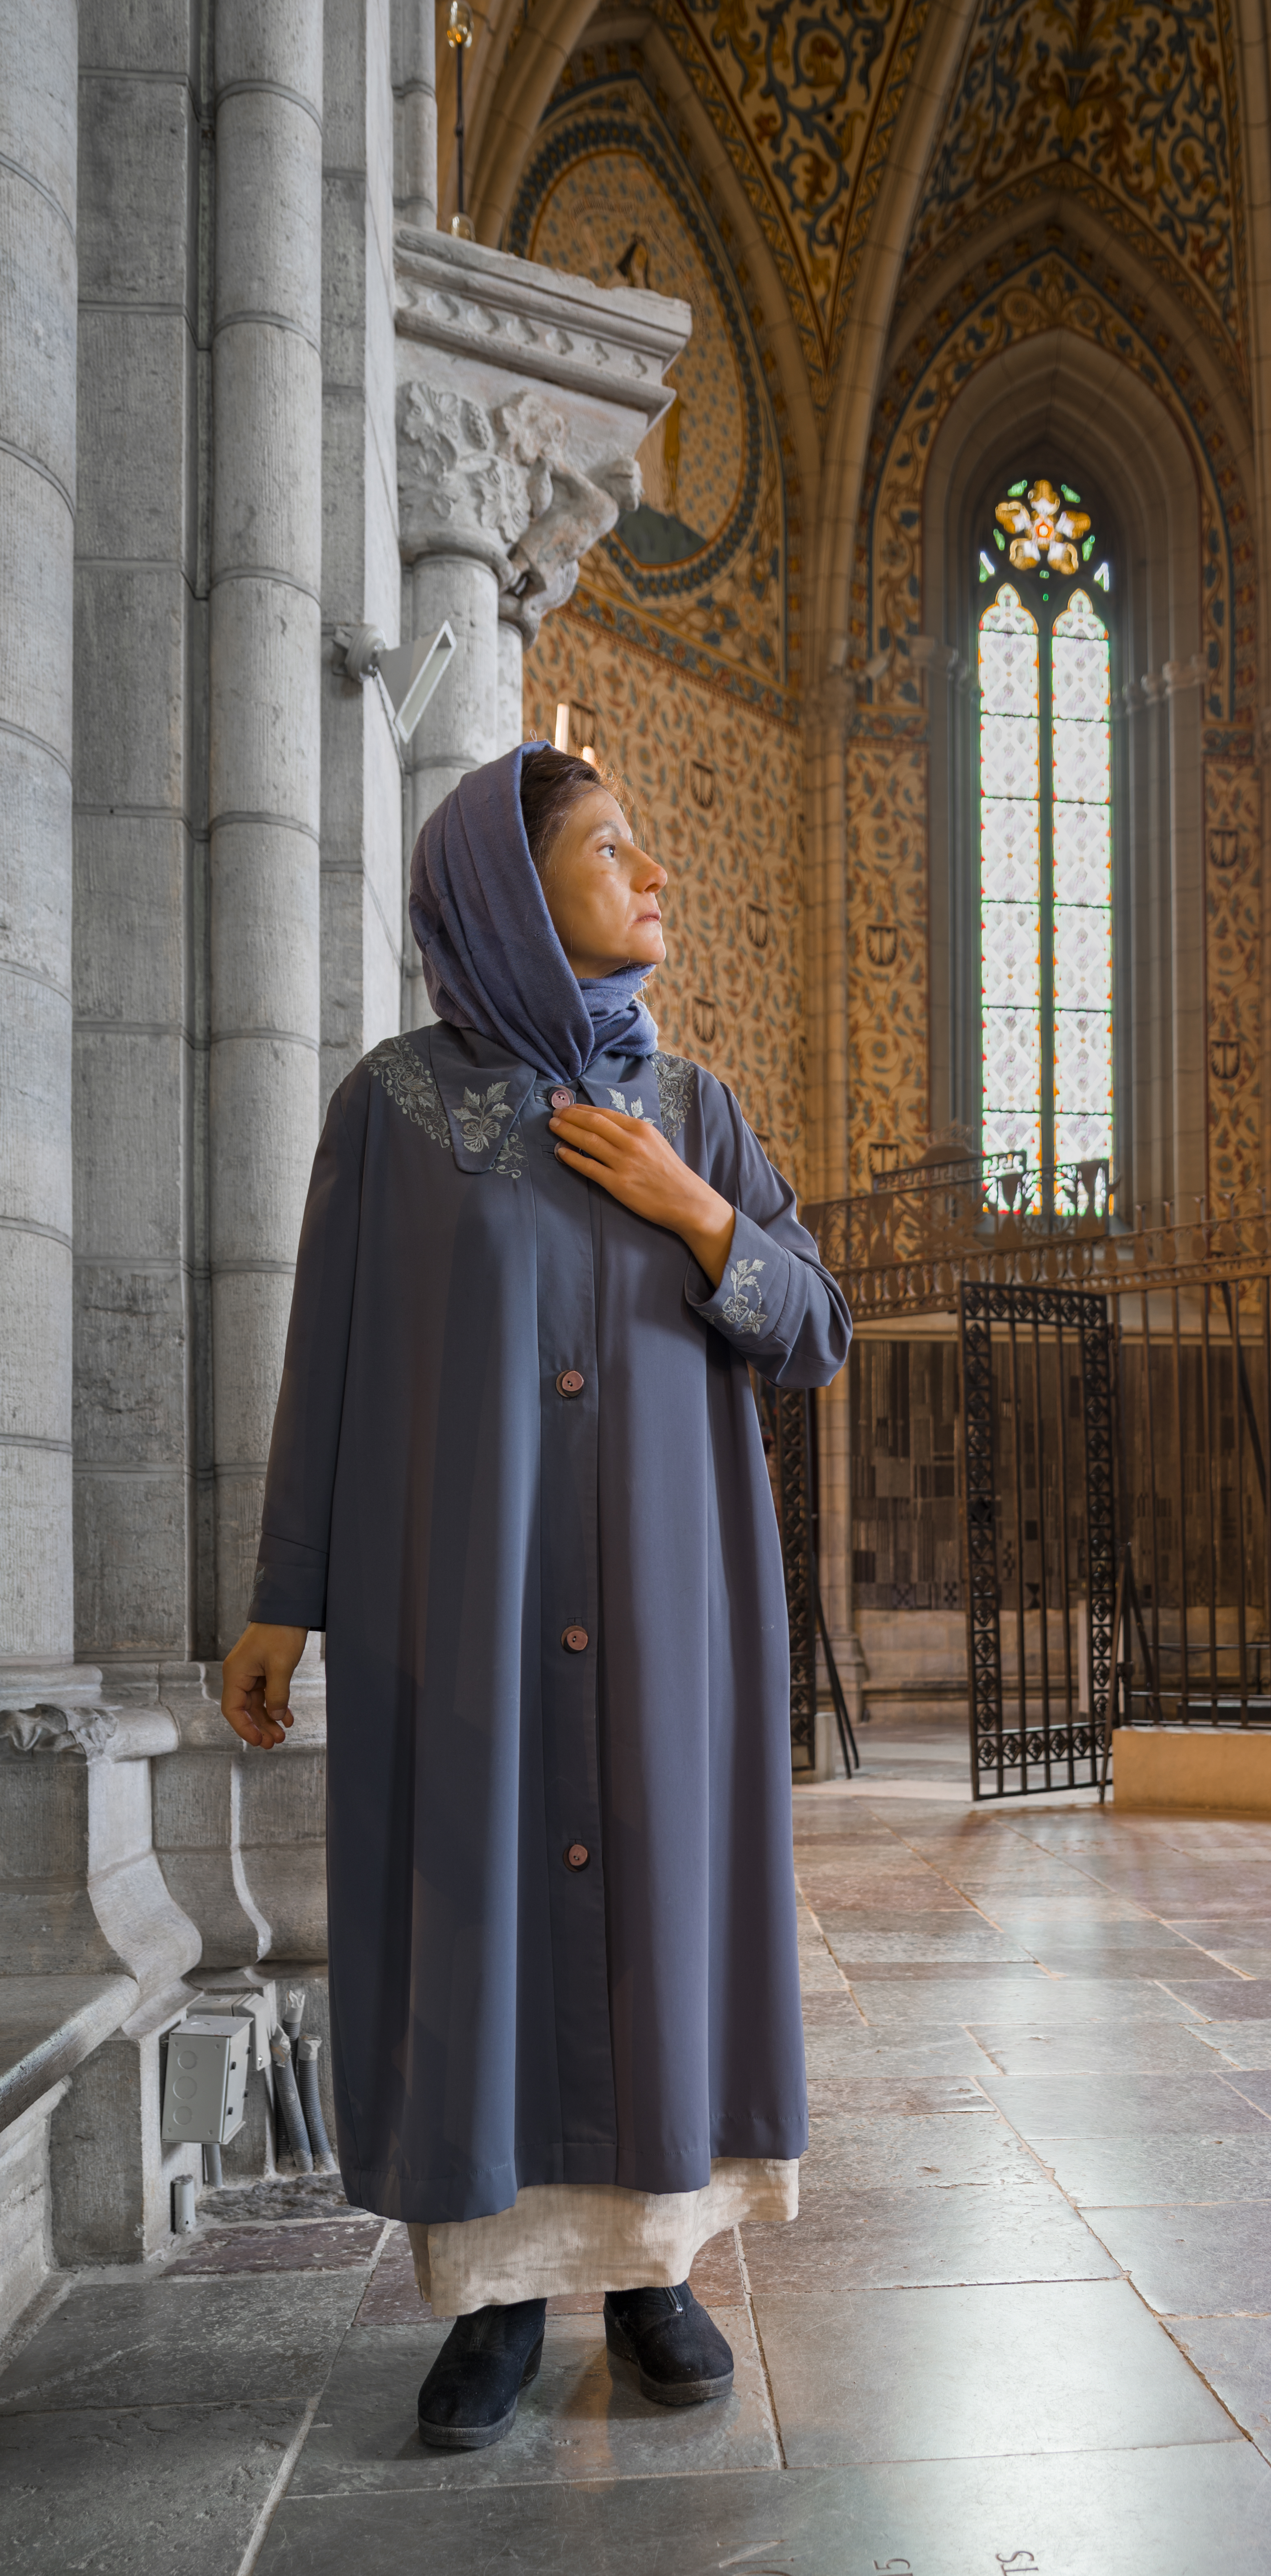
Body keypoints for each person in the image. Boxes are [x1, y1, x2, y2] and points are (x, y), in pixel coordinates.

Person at [217, 743, 851, 2448]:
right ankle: (490, 2300)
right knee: (472, 1917)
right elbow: (327, 1366)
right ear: (506, 887)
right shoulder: (392, 1111)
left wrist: (700, 1213)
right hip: (464, 1613)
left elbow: (817, 1329)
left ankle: (652, 2271)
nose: (655, 877)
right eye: (614, 849)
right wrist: (282, 1597)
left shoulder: (695, 1109)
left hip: (666, 1612)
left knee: (657, 1917)